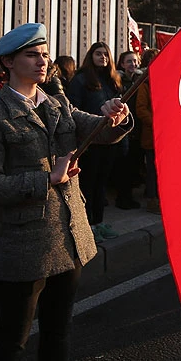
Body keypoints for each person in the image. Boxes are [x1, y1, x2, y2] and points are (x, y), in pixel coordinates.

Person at [0, 23, 131, 361]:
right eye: (30, 55)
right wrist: (46, 179)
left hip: (69, 240)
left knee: (58, 335)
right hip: (24, 249)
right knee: (11, 346)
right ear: (7, 62)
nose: (42, 60)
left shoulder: (55, 103)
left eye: (43, 54)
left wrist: (113, 115)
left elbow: (95, 132)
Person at [66, 42, 123, 242]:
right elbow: (73, 109)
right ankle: (87, 225)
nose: (103, 58)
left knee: (101, 184)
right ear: (91, 56)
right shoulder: (80, 80)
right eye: (98, 54)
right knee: (87, 185)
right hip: (90, 141)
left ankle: (99, 222)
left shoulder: (113, 81)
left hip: (110, 141)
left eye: (106, 55)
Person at [113, 50, 143, 210]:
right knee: (123, 166)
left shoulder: (140, 79)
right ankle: (122, 198)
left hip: (137, 128)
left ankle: (128, 196)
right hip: (122, 127)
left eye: (135, 61)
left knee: (133, 165)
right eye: (129, 61)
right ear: (122, 64)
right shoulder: (117, 80)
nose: (133, 64)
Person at [134, 48, 160, 214]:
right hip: (152, 135)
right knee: (151, 169)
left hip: (166, 137)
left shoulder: (168, 81)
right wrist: (157, 124)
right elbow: (141, 109)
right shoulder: (146, 84)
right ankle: (152, 200)